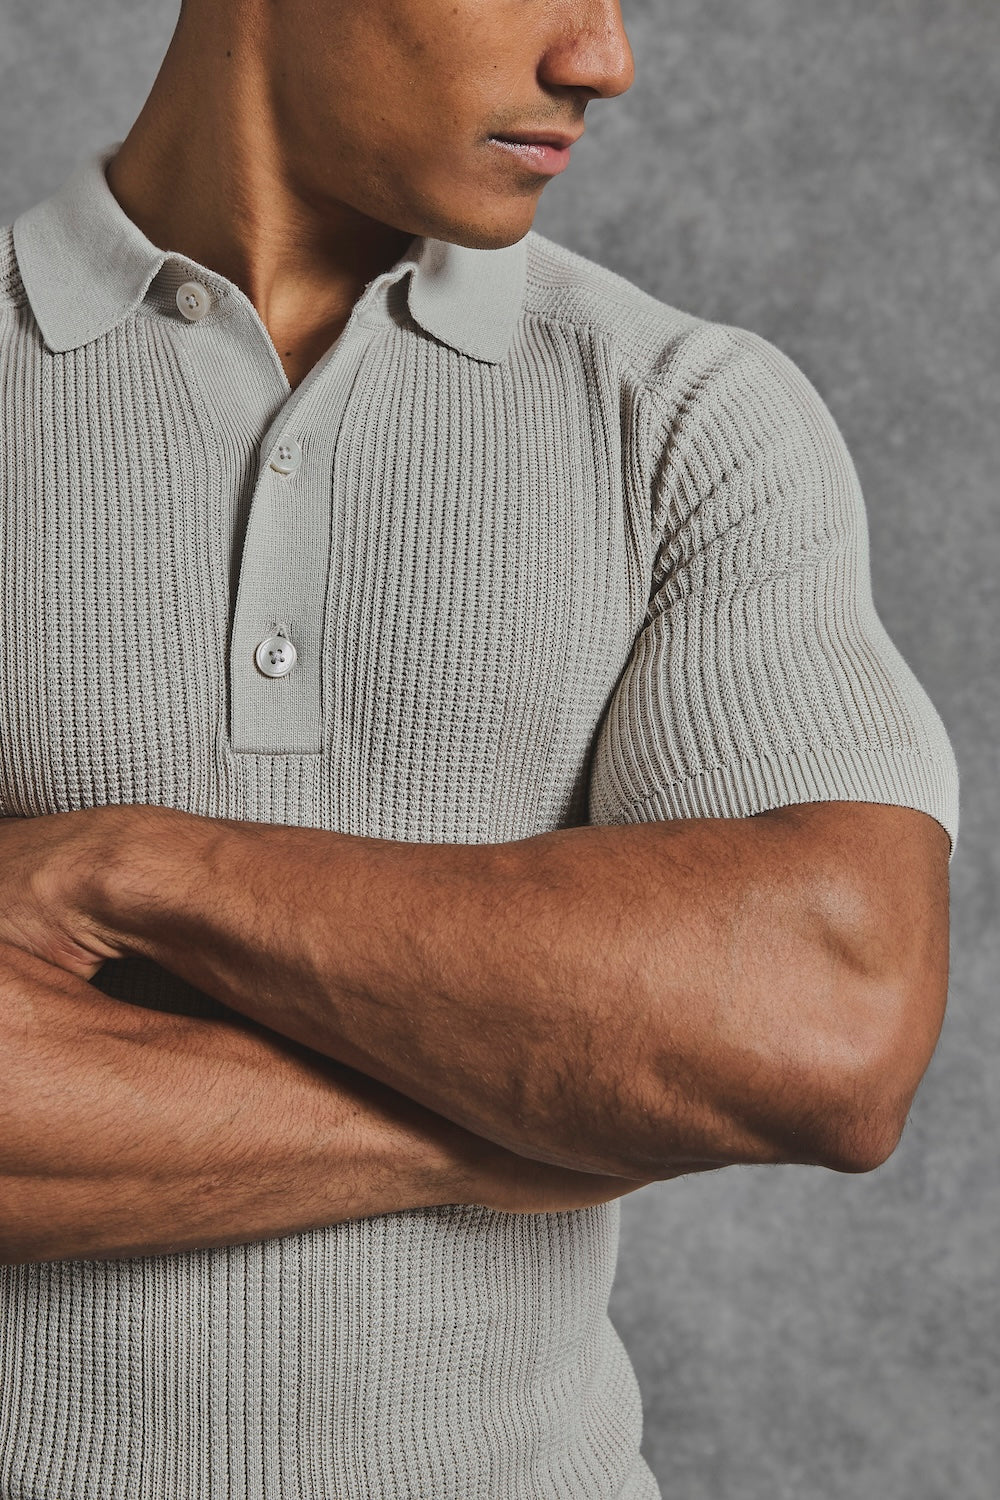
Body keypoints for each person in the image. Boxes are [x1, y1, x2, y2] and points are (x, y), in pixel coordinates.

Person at [0, 2, 959, 1497]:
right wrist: (550, 1105)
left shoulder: (690, 417)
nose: (604, 59)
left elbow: (821, 1029)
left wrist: (136, 866)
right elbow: (701, 1057)